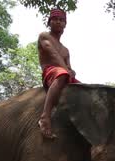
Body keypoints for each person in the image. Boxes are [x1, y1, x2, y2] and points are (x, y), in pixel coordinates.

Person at [37, 8, 80, 139]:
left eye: (61, 20)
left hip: (63, 73)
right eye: (55, 19)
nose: (58, 22)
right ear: (49, 22)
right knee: (62, 74)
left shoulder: (66, 50)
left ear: (65, 25)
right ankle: (45, 117)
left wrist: (72, 71)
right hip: (51, 72)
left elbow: (69, 67)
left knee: (83, 88)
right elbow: (53, 55)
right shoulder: (44, 36)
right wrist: (67, 71)